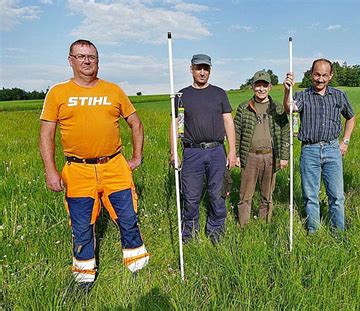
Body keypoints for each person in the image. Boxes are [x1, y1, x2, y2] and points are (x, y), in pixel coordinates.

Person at [39, 39, 149, 289]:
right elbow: (46, 134)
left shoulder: (113, 90)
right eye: (81, 56)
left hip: (115, 167)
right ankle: (84, 274)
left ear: (98, 61)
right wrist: (50, 171)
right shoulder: (58, 93)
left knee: (127, 216)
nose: (87, 61)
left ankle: (137, 264)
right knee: (81, 223)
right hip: (78, 170)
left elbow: (136, 123)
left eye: (92, 57)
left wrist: (137, 157)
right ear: (71, 60)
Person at [283, 59, 356, 232]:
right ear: (311, 74)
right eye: (317, 74)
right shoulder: (302, 95)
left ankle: (338, 232)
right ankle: (314, 232)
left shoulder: (339, 95)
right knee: (310, 196)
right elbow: (289, 109)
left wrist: (345, 141)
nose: (320, 79)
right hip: (310, 150)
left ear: (330, 76)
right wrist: (287, 91)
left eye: (324, 75)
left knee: (337, 196)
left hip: (332, 149)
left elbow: (351, 117)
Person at [170, 54, 236, 244]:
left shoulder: (219, 93)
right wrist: (174, 152)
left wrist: (232, 151)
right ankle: (189, 234)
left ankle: (216, 231)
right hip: (192, 152)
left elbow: (228, 122)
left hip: (216, 151)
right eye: (198, 68)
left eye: (205, 68)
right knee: (190, 196)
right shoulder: (182, 96)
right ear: (191, 69)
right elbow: (175, 124)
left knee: (218, 195)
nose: (202, 72)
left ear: (210, 70)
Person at [234, 70, 290, 226]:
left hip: (270, 156)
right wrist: (236, 154)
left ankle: (264, 225)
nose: (261, 89)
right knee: (245, 196)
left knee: (267, 195)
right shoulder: (243, 108)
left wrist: (284, 157)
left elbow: (285, 132)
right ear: (253, 87)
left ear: (270, 87)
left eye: (264, 85)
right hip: (250, 156)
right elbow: (236, 132)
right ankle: (243, 226)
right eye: (258, 85)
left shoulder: (278, 109)